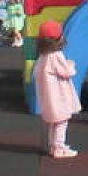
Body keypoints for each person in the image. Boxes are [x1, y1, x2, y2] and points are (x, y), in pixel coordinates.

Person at [34, 20, 81, 158]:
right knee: (61, 122)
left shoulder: (42, 57)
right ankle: (59, 147)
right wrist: (71, 64)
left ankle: (53, 146)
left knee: (54, 123)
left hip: (49, 97)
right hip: (58, 97)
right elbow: (67, 71)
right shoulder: (56, 56)